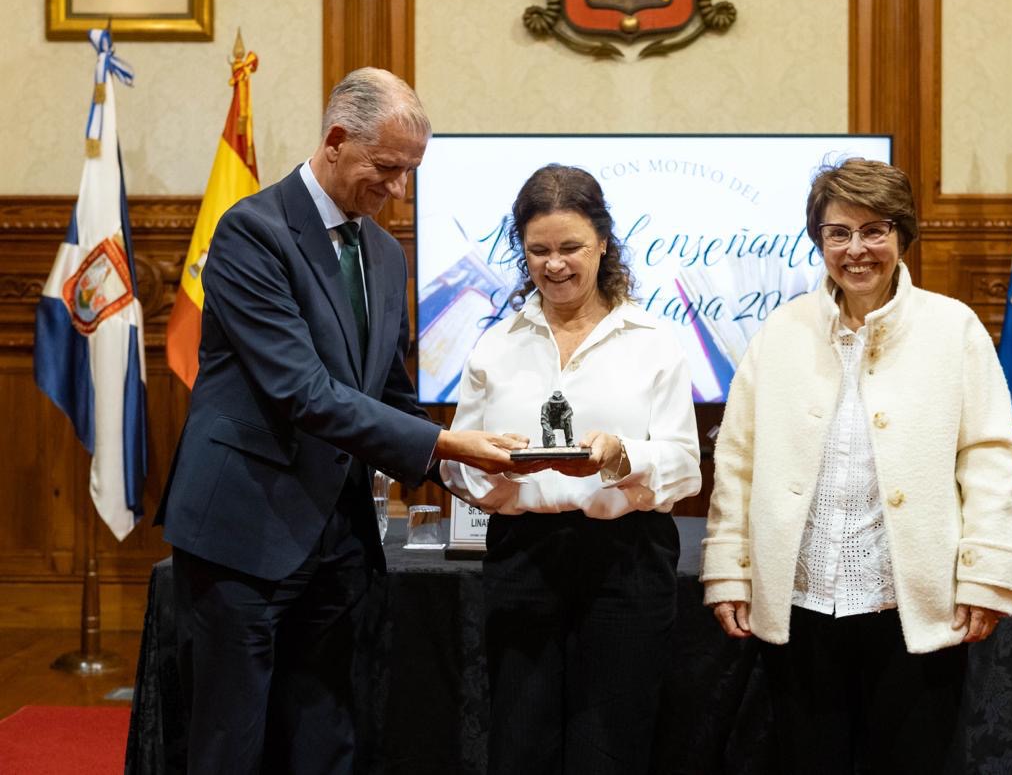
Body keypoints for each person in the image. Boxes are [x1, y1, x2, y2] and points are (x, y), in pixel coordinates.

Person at [155, 67, 526, 773]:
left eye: (411, 171)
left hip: (340, 540)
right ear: (334, 141)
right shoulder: (252, 231)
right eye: (386, 167)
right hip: (244, 532)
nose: (399, 190)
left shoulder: (383, 253)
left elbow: (390, 391)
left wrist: (464, 470)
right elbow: (302, 391)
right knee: (231, 742)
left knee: (326, 737)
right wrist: (448, 442)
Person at [700, 158, 1012, 772]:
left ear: (903, 235)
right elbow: (737, 460)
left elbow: (990, 459)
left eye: (874, 230)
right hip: (800, 603)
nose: (856, 250)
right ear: (819, 240)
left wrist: (986, 575)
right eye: (838, 233)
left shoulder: (953, 327)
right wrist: (730, 572)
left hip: (912, 604)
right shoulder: (780, 330)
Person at [441, 164, 702, 775]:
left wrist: (622, 456)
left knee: (611, 745)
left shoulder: (653, 340)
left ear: (603, 243)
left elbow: (686, 467)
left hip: (627, 558)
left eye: (570, 247)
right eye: (538, 250)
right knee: (519, 743)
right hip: (523, 554)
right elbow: (459, 468)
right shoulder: (496, 344)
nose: (554, 264)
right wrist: (495, 466)